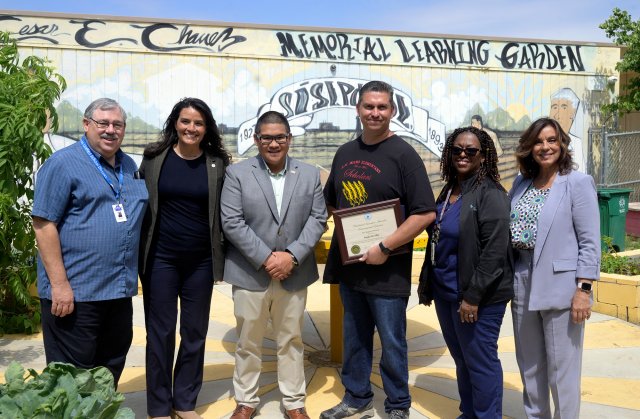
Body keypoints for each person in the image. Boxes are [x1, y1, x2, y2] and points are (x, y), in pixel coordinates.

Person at [320, 81, 436, 419]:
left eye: (382, 107)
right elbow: (332, 203)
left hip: (387, 271)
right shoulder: (345, 152)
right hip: (351, 267)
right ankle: (356, 397)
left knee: (392, 343)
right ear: (357, 109)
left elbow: (425, 212)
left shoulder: (404, 154)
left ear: (392, 111)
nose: (375, 113)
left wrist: (385, 246)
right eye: (369, 106)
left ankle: (398, 404)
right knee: (354, 339)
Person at [32, 98, 148, 388]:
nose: (110, 130)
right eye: (103, 123)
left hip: (117, 292)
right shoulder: (62, 164)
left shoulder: (128, 165)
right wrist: (59, 286)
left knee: (109, 366)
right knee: (70, 378)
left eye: (117, 124)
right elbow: (44, 225)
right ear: (87, 125)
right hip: (76, 294)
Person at [221, 111, 327, 419]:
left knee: (291, 339)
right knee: (248, 341)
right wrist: (268, 258)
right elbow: (231, 221)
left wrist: (291, 256)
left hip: (294, 272)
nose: (274, 143)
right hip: (250, 271)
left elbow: (318, 218)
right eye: (266, 137)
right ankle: (246, 400)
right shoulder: (237, 174)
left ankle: (294, 402)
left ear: (289, 139)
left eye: (280, 137)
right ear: (256, 140)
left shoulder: (308, 174)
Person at [138, 98, 231, 419]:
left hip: (201, 263)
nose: (191, 128)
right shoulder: (152, 159)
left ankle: (185, 402)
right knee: (160, 333)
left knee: (194, 332)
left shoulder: (217, 164)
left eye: (198, 123)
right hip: (161, 259)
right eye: (185, 121)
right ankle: (160, 406)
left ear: (207, 129)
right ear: (175, 123)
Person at [418, 126, 513, 418]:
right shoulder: (451, 190)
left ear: (483, 157)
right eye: (457, 149)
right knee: (463, 359)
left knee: (480, 362)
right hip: (448, 293)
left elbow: (495, 252)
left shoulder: (491, 194)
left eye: (471, 151)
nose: (463, 154)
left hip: (477, 298)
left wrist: (472, 297)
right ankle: (470, 412)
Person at [510, 117, 600, 418]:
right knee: (530, 367)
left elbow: (589, 242)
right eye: (538, 141)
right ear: (529, 147)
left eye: (551, 140)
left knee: (562, 372)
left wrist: (583, 290)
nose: (545, 147)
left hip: (563, 288)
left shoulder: (577, 182)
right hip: (522, 280)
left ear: (562, 144)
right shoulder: (521, 183)